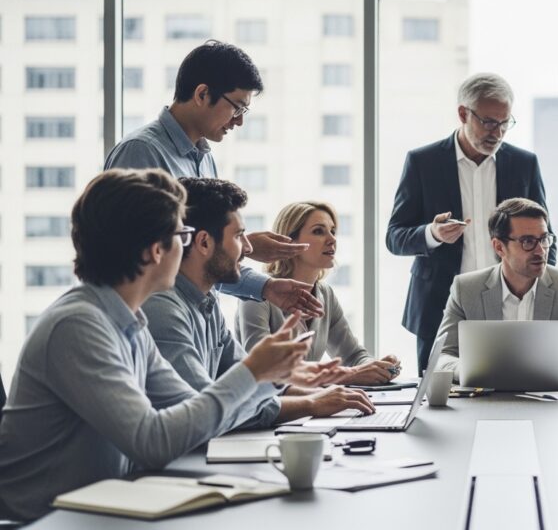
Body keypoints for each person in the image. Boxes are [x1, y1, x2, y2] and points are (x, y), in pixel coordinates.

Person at [0, 169, 310, 521]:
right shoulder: (78, 326)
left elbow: (195, 413)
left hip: (99, 510)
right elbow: (154, 440)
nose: (186, 246)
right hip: (44, 521)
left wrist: (263, 378)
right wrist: (253, 372)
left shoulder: (129, 322)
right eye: (181, 235)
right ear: (154, 251)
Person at [103, 40, 322, 319]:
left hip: (195, 320)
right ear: (202, 94)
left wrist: (264, 283)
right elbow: (132, 254)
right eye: (237, 107)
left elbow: (202, 262)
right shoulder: (141, 152)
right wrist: (237, 245)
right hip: (154, 325)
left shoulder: (205, 159)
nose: (239, 121)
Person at [143, 178, 375, 428]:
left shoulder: (207, 304)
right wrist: (312, 403)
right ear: (203, 243)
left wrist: (320, 395)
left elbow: (250, 385)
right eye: (240, 236)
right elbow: (207, 412)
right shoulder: (163, 310)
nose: (249, 248)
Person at [386, 73, 555, 373]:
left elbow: (545, 237)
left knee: (512, 398)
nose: (498, 132)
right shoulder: (422, 162)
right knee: (437, 401)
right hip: (439, 306)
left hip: (510, 305)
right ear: (463, 113)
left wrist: (537, 292)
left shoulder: (524, 164)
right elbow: (394, 236)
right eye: (489, 122)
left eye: (505, 123)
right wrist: (432, 234)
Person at [237, 201, 402, 385]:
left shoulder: (325, 294)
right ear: (288, 241)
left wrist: (376, 368)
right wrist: (348, 375)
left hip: (307, 407)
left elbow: (353, 356)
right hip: (270, 410)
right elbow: (262, 370)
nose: (332, 239)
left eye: (333, 231)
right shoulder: (258, 293)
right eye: (318, 231)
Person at [435, 198, 558, 381]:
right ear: (499, 247)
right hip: (487, 403)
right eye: (528, 241)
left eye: (544, 239)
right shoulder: (466, 289)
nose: (541, 251)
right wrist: (476, 369)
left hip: (549, 404)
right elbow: (441, 358)